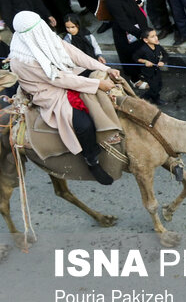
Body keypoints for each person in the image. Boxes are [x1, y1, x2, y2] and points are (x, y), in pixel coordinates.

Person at [8, 10, 120, 185]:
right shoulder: (22, 60)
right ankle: (92, 160)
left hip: (63, 75)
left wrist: (105, 69)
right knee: (83, 124)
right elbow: (58, 79)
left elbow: (73, 53)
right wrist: (97, 84)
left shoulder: (41, 35)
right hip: (49, 93)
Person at [99, 0, 147, 80]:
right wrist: (142, 34)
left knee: (140, 53)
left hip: (137, 31)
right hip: (127, 35)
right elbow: (123, 22)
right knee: (130, 56)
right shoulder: (112, 2)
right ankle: (135, 79)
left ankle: (142, 72)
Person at [133, 28, 166, 104]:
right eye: (152, 36)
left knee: (159, 85)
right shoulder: (143, 49)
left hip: (156, 70)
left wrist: (162, 61)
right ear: (146, 40)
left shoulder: (157, 46)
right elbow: (135, 57)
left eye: (156, 35)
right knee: (154, 87)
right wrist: (145, 61)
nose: (156, 38)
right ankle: (144, 99)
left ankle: (146, 99)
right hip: (148, 73)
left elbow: (165, 54)